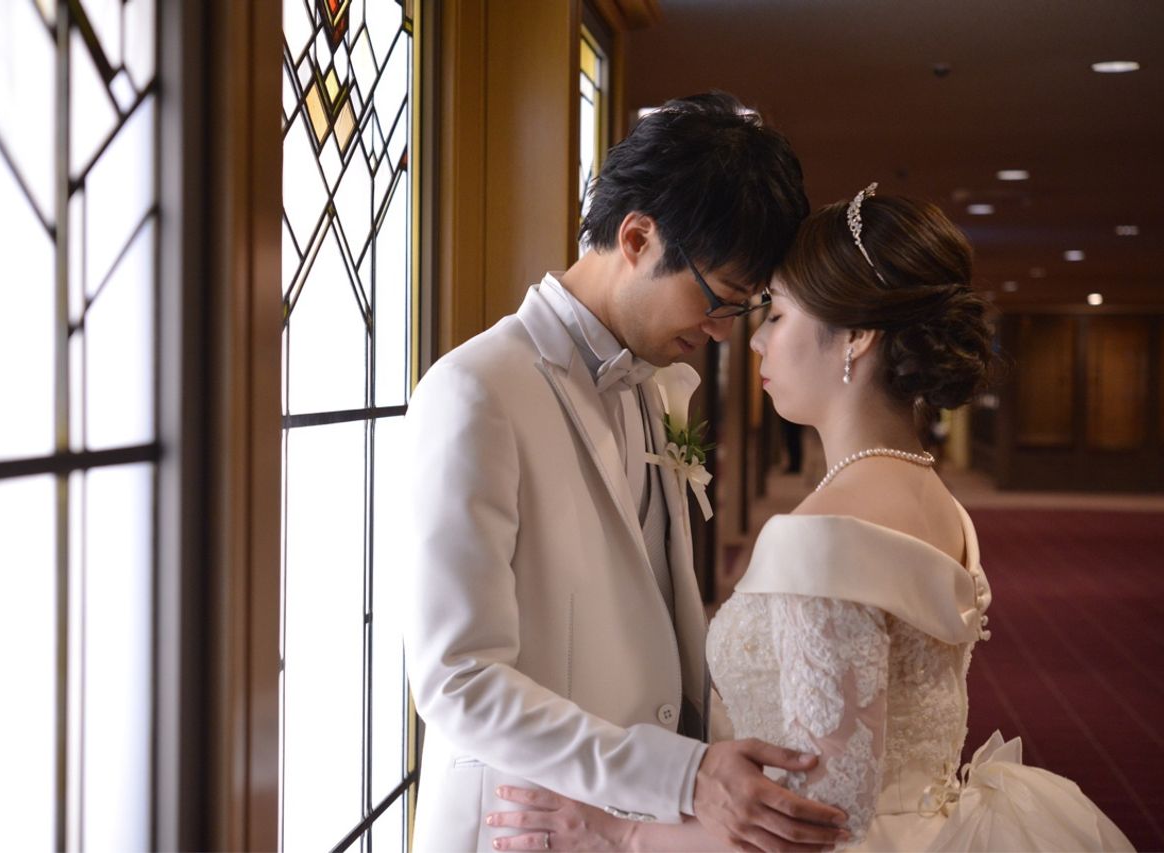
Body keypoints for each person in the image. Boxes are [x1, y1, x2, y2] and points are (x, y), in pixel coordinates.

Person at [486, 185, 1135, 851]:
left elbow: (816, 819)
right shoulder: (942, 502)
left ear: (855, 335)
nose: (758, 341)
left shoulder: (822, 534)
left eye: (777, 314)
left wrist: (618, 832)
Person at [401, 93, 854, 852]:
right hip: (524, 824)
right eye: (717, 300)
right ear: (638, 237)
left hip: (636, 827)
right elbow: (458, 680)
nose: (720, 334)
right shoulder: (477, 390)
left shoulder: (658, 383)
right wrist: (682, 776)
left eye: (740, 311)